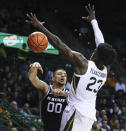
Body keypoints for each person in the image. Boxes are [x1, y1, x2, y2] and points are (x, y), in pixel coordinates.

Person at [26, 4, 117, 131]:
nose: (93, 51)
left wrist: (40, 26)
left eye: (95, 51)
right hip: (89, 117)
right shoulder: (105, 70)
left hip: (75, 114)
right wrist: (94, 21)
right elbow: (101, 42)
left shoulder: (83, 64)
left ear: (97, 55)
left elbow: (59, 44)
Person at [28, 62, 69, 131]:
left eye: (65, 75)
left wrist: (63, 94)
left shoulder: (69, 93)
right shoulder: (46, 88)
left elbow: (80, 98)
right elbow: (32, 78)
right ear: (52, 78)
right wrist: (34, 67)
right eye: (59, 74)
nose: (63, 76)